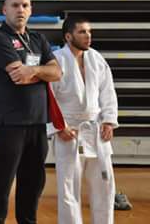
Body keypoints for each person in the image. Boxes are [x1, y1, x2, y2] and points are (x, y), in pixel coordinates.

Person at [0, 0, 62, 224]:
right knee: (1, 184)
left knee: (33, 184)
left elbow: (58, 72)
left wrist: (34, 70)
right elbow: (19, 76)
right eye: (15, 5)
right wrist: (42, 72)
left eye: (25, 6)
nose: (21, 10)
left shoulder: (38, 38)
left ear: (31, 10)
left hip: (38, 123)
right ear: (4, 9)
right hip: (9, 123)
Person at [49, 16, 118, 224]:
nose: (88, 36)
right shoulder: (56, 60)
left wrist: (108, 120)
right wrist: (58, 127)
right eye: (82, 32)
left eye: (89, 31)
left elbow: (108, 92)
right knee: (68, 187)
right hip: (69, 131)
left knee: (105, 184)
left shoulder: (96, 59)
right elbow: (48, 97)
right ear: (68, 36)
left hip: (96, 130)